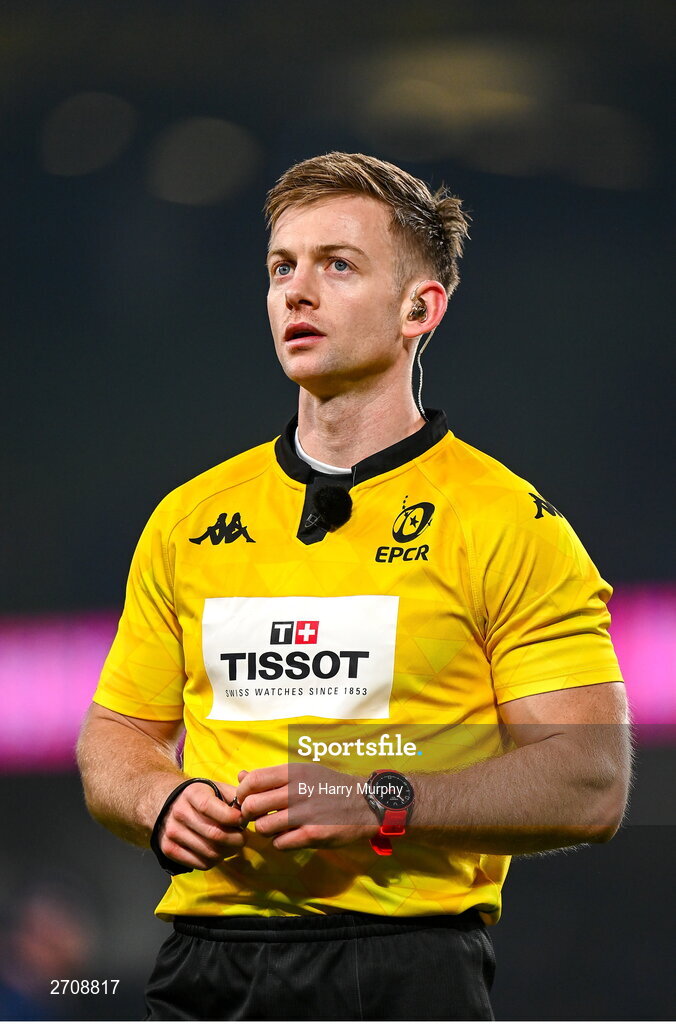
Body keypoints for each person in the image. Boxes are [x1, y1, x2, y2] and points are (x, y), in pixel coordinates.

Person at [77, 152, 631, 1021]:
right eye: (280, 267)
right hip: (204, 967)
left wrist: (382, 798)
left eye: (337, 264)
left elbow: (591, 781)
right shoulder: (187, 518)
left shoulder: (508, 523)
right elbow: (116, 734)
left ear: (421, 308)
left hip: (405, 968)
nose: (297, 292)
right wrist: (161, 798)